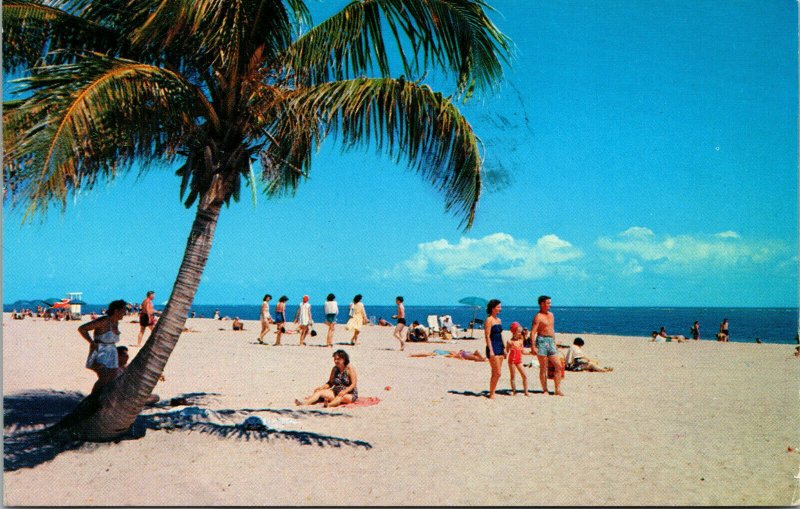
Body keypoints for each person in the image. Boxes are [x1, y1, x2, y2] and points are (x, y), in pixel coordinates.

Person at [79, 300, 127, 388]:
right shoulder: (104, 320)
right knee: (103, 378)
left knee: (111, 378)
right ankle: (93, 398)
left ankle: (99, 398)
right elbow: (82, 328)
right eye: (123, 311)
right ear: (116, 311)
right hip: (101, 352)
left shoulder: (115, 322)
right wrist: (91, 342)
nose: (125, 313)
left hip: (111, 352)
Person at [530, 295, 564, 396]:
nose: (550, 305)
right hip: (541, 340)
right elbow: (533, 332)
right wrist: (533, 346)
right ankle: (545, 389)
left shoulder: (551, 315)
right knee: (543, 367)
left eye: (550, 302)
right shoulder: (538, 316)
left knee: (558, 365)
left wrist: (555, 342)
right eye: (548, 303)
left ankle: (557, 389)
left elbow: (552, 330)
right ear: (542, 304)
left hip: (550, 341)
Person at [484, 299, 505, 399]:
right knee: (498, 372)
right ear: (493, 308)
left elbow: (500, 335)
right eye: (498, 307)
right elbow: (487, 336)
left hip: (500, 346)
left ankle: (492, 391)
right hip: (493, 347)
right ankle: (491, 393)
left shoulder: (499, 320)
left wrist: (504, 347)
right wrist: (491, 350)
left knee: (495, 372)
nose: (500, 308)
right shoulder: (489, 320)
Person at [505, 322, 528, 395]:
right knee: (513, 376)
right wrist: (504, 353)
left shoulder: (521, 341)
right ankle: (514, 391)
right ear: (514, 332)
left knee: (524, 375)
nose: (520, 333)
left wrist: (530, 352)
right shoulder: (510, 341)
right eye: (518, 332)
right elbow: (506, 351)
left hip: (519, 360)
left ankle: (526, 392)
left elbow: (523, 351)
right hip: (512, 361)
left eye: (520, 332)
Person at [410, 349, 486, 361]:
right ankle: (413, 355)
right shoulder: (452, 354)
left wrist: (459, 355)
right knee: (427, 354)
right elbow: (451, 354)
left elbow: (452, 354)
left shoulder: (454, 353)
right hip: (439, 352)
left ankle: (482, 359)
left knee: (427, 354)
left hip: (439, 352)